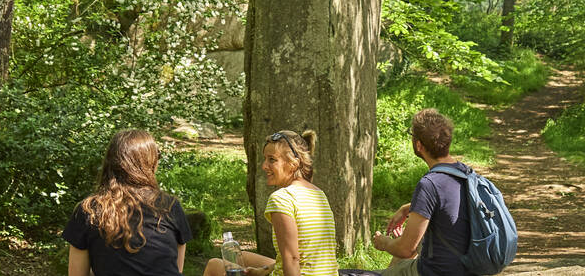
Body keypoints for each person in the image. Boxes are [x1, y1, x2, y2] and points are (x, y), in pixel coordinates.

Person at [203, 130, 339, 276]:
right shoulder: (318, 194)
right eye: (265, 159)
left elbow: (292, 259)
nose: (264, 166)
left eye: (272, 160)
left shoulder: (282, 198)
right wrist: (262, 271)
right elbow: (306, 255)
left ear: (294, 163)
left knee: (215, 266)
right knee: (241, 256)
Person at [66, 129, 194, 276]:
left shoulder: (88, 210)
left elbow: (76, 273)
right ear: (150, 162)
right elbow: (176, 269)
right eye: (157, 155)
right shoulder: (170, 207)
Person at [370, 109, 471, 276]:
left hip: (436, 271)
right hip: (467, 267)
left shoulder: (429, 184)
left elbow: (405, 250)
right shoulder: (464, 173)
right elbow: (449, 205)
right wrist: (408, 208)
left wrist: (384, 243)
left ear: (418, 145)